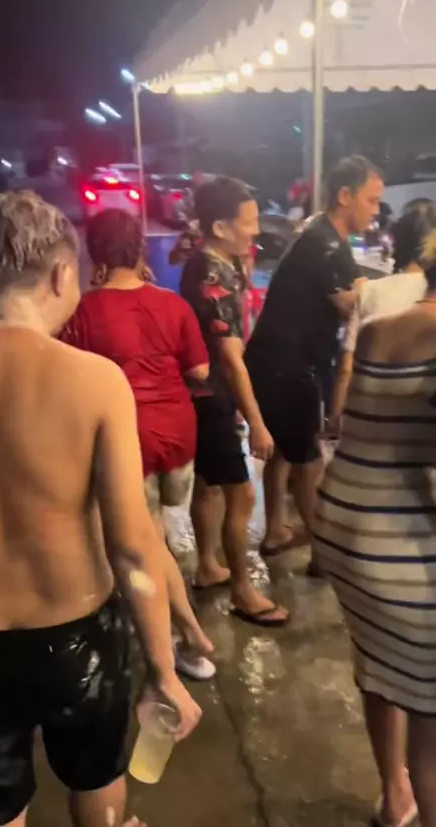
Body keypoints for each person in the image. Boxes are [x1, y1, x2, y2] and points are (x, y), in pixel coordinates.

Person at [0, 192, 201, 827]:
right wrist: (163, 670)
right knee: (96, 780)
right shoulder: (95, 381)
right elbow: (133, 547)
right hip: (77, 641)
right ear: (60, 274)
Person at [314, 227, 436, 827]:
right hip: (403, 543)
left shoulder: (377, 331)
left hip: (342, 524)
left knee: (378, 663)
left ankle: (395, 798)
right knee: (435, 730)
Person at [61, 208, 215, 681]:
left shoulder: (83, 311)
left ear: (93, 253)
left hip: (129, 439)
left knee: (144, 544)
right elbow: (200, 371)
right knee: (157, 532)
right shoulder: (173, 304)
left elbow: (71, 378)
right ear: (140, 250)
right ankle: (173, 627)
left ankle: (185, 633)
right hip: (180, 436)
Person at [245, 156, 384, 572]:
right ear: (345, 196)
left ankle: (275, 530)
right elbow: (349, 307)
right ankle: (324, 553)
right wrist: (388, 296)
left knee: (284, 451)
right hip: (290, 365)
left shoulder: (319, 233)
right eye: (372, 200)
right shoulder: (326, 244)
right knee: (308, 461)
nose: (376, 211)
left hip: (271, 359)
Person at [181, 176, 289, 627]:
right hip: (214, 397)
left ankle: (208, 565)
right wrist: (257, 422)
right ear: (220, 227)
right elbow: (231, 360)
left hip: (202, 395)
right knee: (241, 494)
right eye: (248, 222)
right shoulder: (214, 275)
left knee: (208, 484)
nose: (256, 230)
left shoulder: (210, 262)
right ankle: (244, 592)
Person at [328, 199, 436, 434]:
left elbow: (346, 369)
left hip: (366, 428)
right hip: (421, 435)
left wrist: (335, 419)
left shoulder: (371, 291)